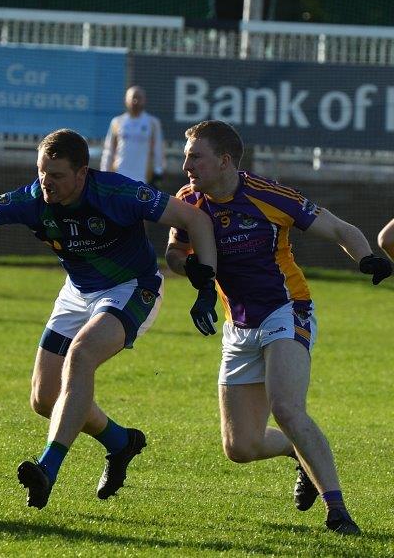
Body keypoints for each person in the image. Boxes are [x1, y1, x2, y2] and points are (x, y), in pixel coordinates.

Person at [0, 128, 219, 509]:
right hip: (77, 291)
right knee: (45, 399)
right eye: (42, 173)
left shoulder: (118, 192)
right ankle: (120, 442)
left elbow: (194, 219)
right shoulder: (32, 198)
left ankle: (47, 468)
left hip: (131, 287)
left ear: (82, 173)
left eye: (57, 176)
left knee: (81, 356)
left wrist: (206, 284)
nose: (46, 184)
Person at [165, 120, 392, 535]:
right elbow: (176, 250)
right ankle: (297, 453)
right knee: (240, 447)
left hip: (286, 309)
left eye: (195, 156)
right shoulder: (189, 200)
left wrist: (365, 259)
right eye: (186, 156)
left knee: (286, 407)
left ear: (225, 160)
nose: (186, 165)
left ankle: (338, 512)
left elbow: (341, 228)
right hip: (238, 324)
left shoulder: (268, 194)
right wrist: (189, 268)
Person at [100, 86, 165, 187]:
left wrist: (158, 170)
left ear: (144, 100)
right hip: (119, 176)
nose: (135, 101)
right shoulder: (117, 122)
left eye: (139, 98)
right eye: (132, 97)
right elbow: (109, 149)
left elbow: (158, 149)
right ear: (126, 100)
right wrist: (104, 171)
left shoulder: (152, 122)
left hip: (143, 177)